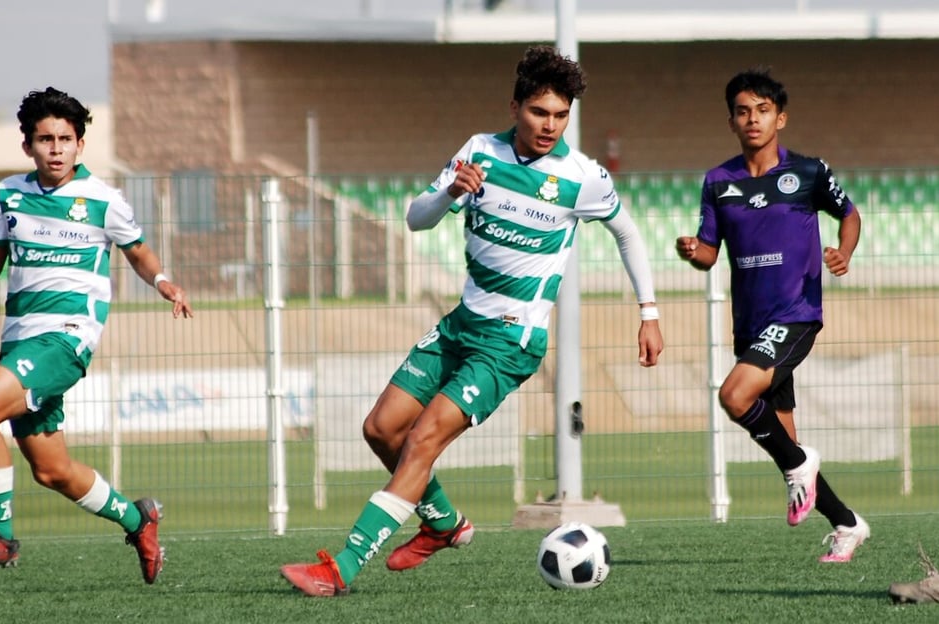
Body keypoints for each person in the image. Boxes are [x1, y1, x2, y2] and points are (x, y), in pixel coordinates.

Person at [280, 45, 664, 597]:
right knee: (380, 429)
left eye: (560, 115)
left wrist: (648, 314)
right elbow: (416, 219)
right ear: (515, 107)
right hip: (462, 324)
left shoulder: (583, 177)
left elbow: (627, 233)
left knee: (422, 440)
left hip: (512, 340)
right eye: (539, 112)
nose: (550, 125)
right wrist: (450, 192)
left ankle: (341, 567)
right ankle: (442, 524)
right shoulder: (479, 152)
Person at [0, 87, 193, 582]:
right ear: (29, 146)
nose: (56, 148)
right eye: (45, 139)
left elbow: (139, 251)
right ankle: (139, 519)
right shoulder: (9, 193)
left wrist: (164, 281)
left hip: (66, 338)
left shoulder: (103, 199)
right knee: (51, 470)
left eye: (66, 138)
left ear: (80, 145)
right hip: (20, 340)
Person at [675, 68, 867, 562]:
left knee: (734, 395)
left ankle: (800, 468)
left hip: (797, 313)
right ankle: (847, 524)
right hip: (752, 324)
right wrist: (691, 248)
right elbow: (709, 255)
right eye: (743, 112)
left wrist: (844, 252)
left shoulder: (807, 172)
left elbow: (850, 213)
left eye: (762, 110)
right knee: (788, 448)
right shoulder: (719, 181)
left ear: (780, 117)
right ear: (732, 122)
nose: (752, 119)